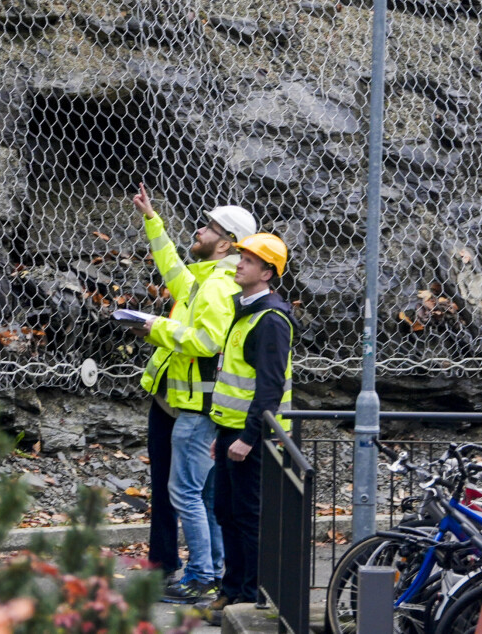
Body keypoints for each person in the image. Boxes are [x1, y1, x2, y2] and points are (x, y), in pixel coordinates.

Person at [131, 183, 258, 604]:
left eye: (207, 228)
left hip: (197, 408)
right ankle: (213, 572)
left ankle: (202, 575)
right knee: (200, 495)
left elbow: (207, 341)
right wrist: (153, 221)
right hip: (182, 403)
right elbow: (172, 269)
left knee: (187, 493)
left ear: (225, 244)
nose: (198, 232)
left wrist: (155, 328)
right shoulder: (207, 280)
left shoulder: (219, 287)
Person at [202, 233, 295, 626]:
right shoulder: (247, 310)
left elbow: (269, 388)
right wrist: (223, 433)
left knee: (248, 516)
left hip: (254, 438)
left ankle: (252, 595)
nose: (239, 264)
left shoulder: (271, 319)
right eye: (240, 256)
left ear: (267, 272)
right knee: (226, 510)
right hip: (232, 433)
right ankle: (234, 587)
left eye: (249, 260)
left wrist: (246, 437)